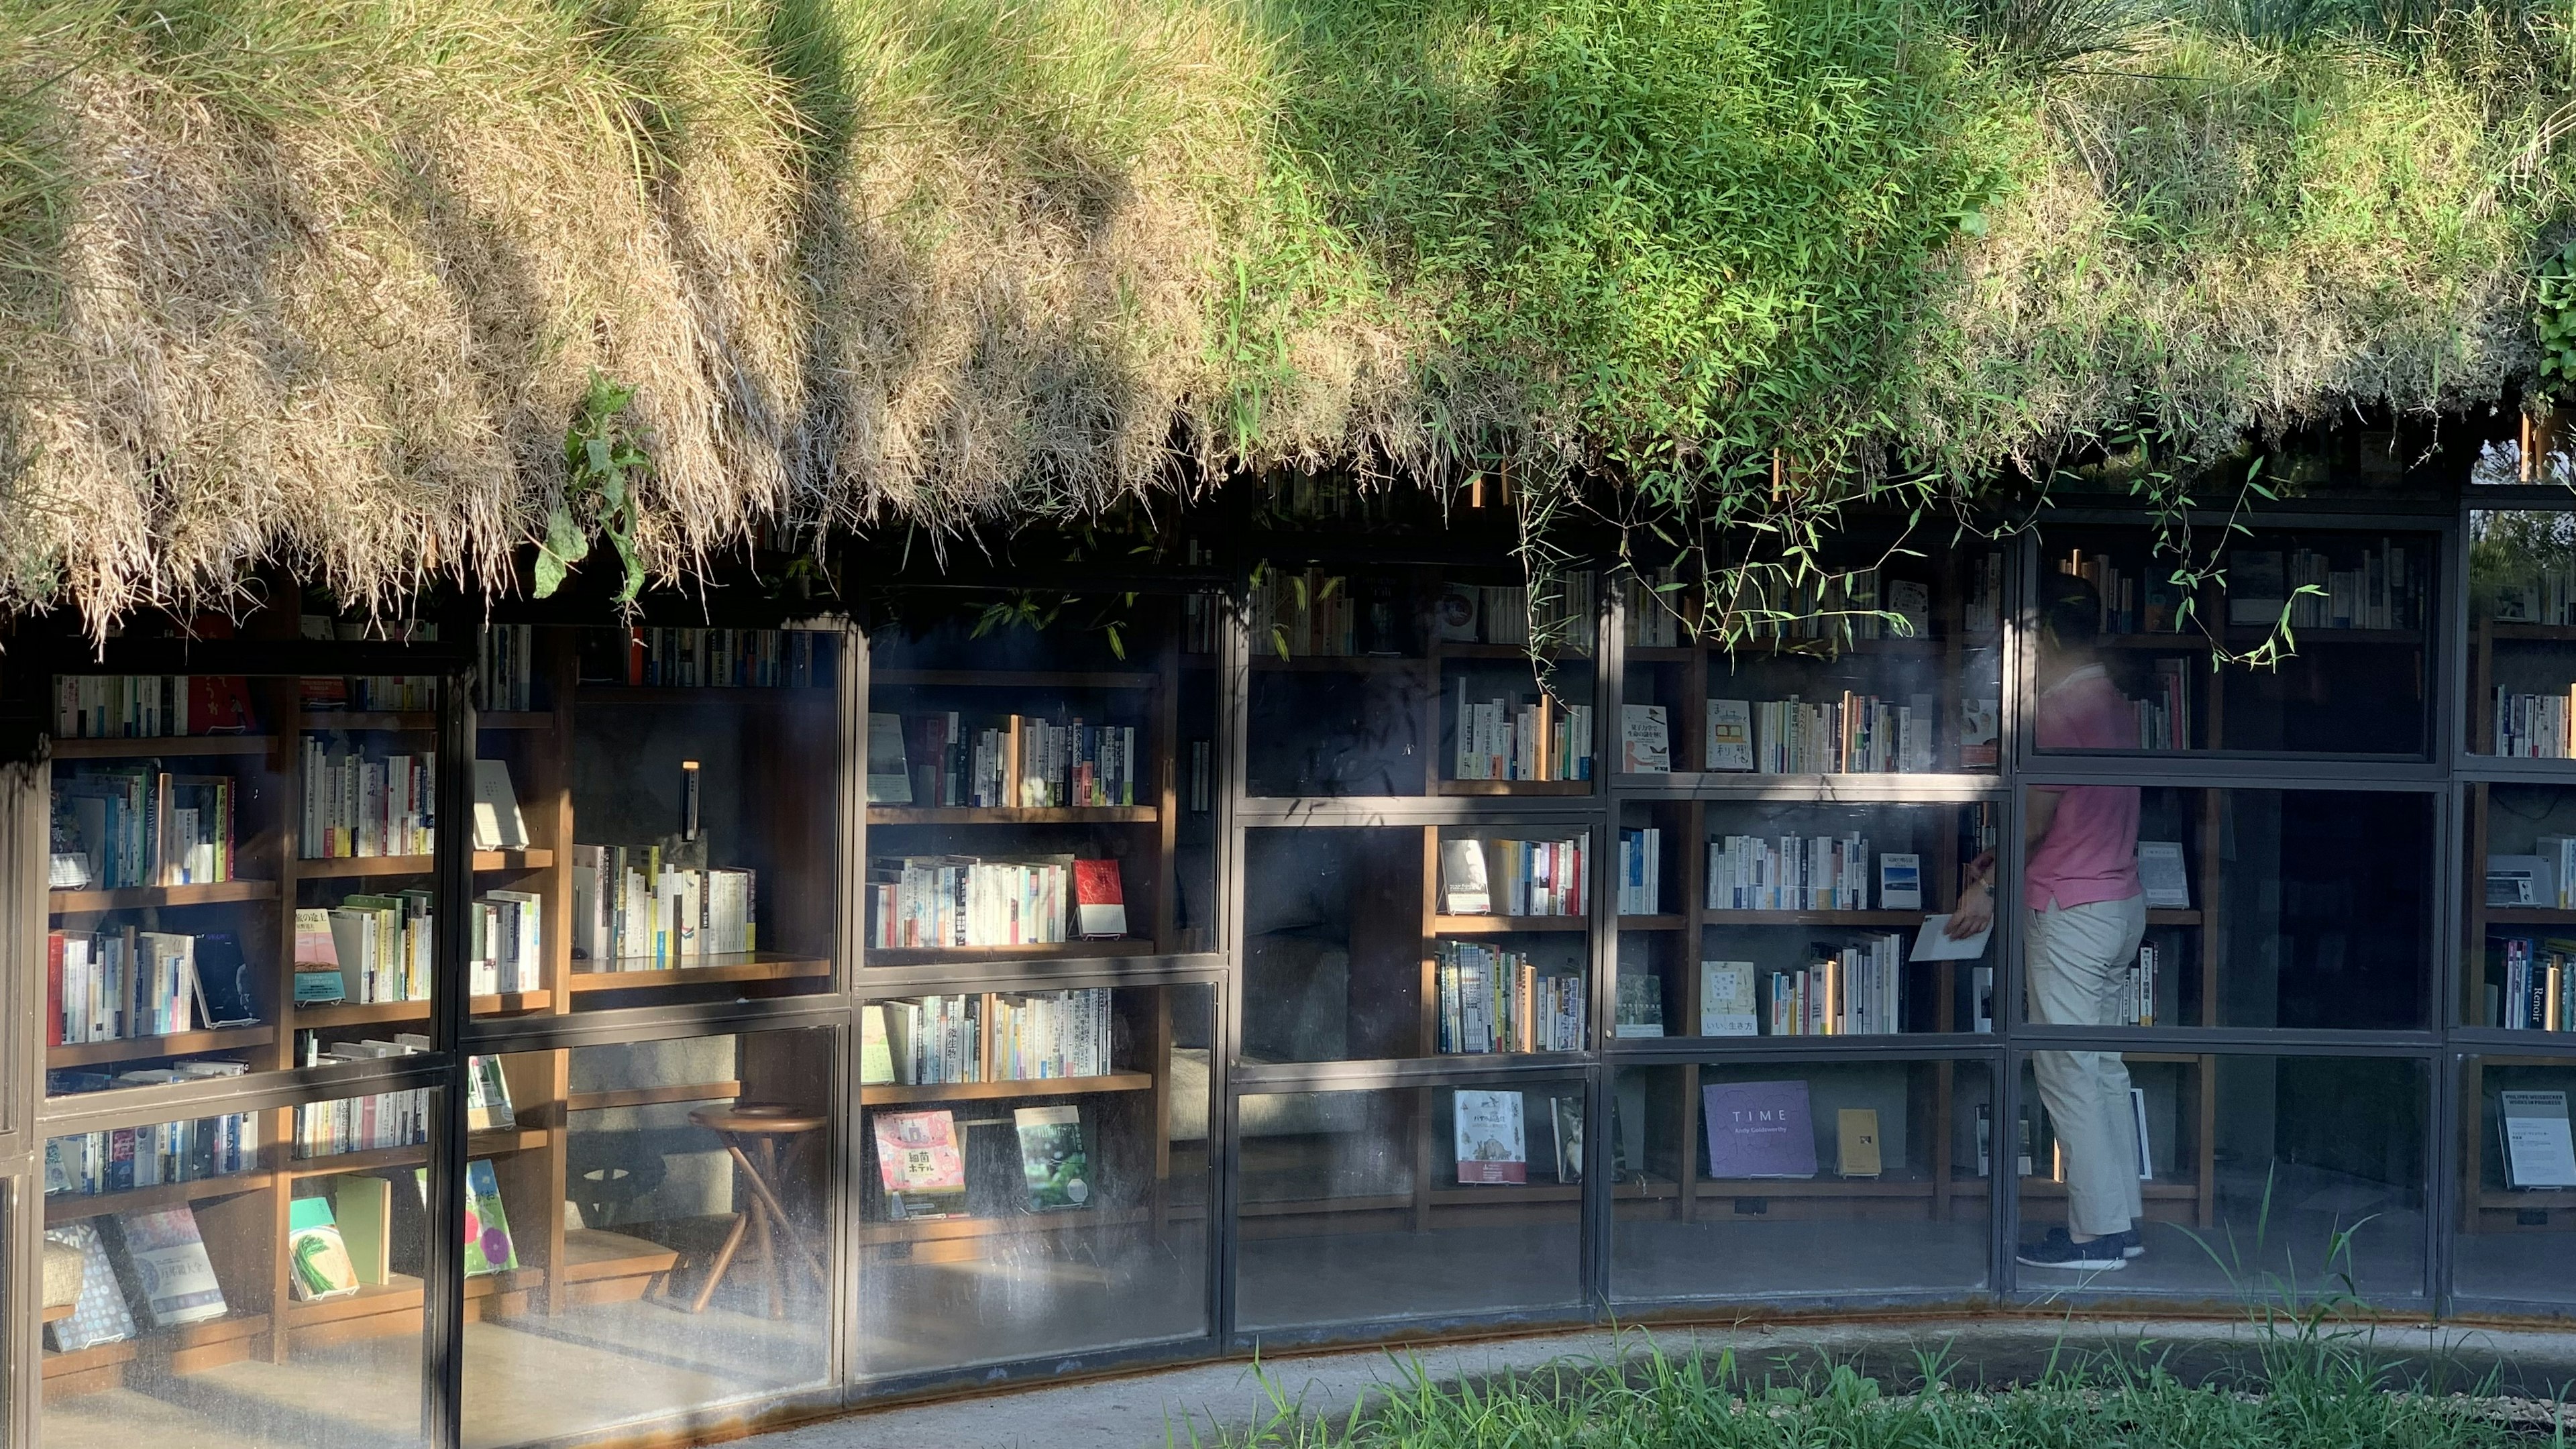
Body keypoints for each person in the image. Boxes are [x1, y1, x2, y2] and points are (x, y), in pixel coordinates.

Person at [1945, 572, 2145, 1271]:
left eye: (2022, 635)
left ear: (2047, 636)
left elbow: (2037, 819)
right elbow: (2077, 811)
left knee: (2067, 1071)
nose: (2015, 648)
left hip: (2070, 908)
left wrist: (1986, 889)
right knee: (2102, 1067)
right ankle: (2121, 1218)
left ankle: (2097, 1237)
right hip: (2118, 902)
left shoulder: (2058, 711)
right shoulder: (2115, 702)